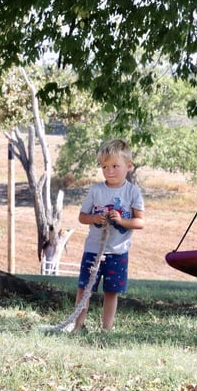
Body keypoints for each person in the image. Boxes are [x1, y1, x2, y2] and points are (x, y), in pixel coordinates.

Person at [73, 139, 145, 332]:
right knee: (85, 289)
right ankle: (78, 325)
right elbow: (82, 217)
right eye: (105, 167)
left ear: (128, 166)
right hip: (93, 250)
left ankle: (107, 328)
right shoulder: (96, 190)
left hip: (118, 252)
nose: (110, 171)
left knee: (111, 291)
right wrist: (95, 218)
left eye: (115, 166)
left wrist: (121, 221)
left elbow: (140, 222)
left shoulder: (132, 192)